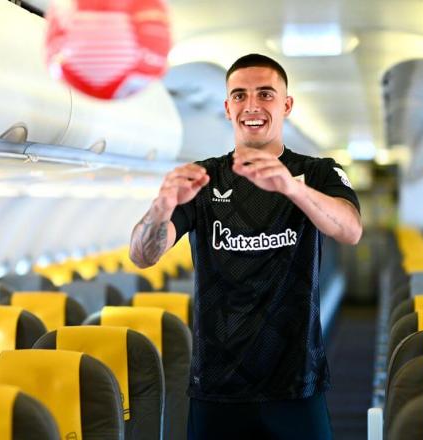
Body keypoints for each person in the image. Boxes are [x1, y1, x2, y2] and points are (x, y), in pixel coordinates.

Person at [129, 53, 362, 440]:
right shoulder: (203, 178)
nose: (251, 106)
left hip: (296, 382)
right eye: (239, 96)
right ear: (226, 108)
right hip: (217, 385)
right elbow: (142, 255)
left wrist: (291, 187)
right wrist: (162, 204)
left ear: (286, 105)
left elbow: (350, 230)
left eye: (265, 94)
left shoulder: (318, 172)